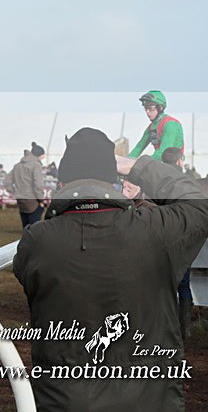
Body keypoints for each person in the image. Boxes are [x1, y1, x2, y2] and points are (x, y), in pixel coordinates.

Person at [13, 127, 208, 410]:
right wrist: (135, 166)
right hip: (150, 398)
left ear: (63, 180)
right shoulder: (155, 231)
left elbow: (28, 275)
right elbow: (198, 204)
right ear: (114, 177)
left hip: (67, 399)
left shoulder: (36, 240)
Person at [161, 146, 193, 340]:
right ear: (179, 161)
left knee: (164, 285)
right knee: (184, 284)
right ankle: (184, 330)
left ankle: (166, 328)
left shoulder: (158, 181)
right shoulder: (187, 182)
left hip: (163, 238)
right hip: (184, 238)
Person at [129, 90, 184, 161]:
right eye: (145, 108)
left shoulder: (170, 124)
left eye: (150, 108)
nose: (147, 112)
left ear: (160, 108)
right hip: (160, 164)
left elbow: (164, 152)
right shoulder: (152, 126)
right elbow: (139, 148)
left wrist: (142, 162)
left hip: (173, 165)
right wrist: (126, 160)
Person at [3, 141, 46, 227]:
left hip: (21, 199)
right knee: (35, 229)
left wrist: (15, 191)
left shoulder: (17, 165)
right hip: (33, 200)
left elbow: (6, 181)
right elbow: (38, 185)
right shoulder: (36, 165)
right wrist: (41, 200)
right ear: (40, 155)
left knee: (25, 227)